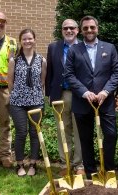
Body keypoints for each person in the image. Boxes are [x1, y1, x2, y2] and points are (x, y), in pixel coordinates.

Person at [63, 15, 118, 179]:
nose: (89, 30)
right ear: (81, 30)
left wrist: (105, 91)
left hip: (105, 101)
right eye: (86, 28)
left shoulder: (109, 48)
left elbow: (117, 73)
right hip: (83, 102)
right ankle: (91, 173)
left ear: (97, 29)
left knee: (111, 135)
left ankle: (108, 171)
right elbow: (69, 74)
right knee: (86, 139)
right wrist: (84, 91)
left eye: (92, 27)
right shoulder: (74, 50)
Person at [46, 19, 85, 176]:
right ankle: (65, 163)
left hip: (80, 95)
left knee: (79, 130)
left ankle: (79, 165)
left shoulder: (84, 47)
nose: (68, 31)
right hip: (60, 94)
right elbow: (50, 72)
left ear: (77, 30)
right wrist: (49, 95)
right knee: (63, 129)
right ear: (61, 30)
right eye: (65, 28)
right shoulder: (53, 47)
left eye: (72, 28)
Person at [7, 29, 46, 176]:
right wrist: (17, 95)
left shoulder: (42, 60)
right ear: (20, 41)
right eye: (24, 39)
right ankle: (20, 164)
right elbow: (10, 82)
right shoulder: (14, 61)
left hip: (36, 102)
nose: (27, 41)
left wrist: (35, 95)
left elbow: (42, 82)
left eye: (30, 38)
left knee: (35, 133)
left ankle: (33, 164)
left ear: (34, 40)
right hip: (18, 103)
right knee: (21, 133)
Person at [0, 11, 17, 168]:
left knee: (5, 123)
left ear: (5, 23)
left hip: (3, 90)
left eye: (2, 20)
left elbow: (15, 67)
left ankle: (5, 156)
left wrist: (13, 88)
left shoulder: (12, 42)